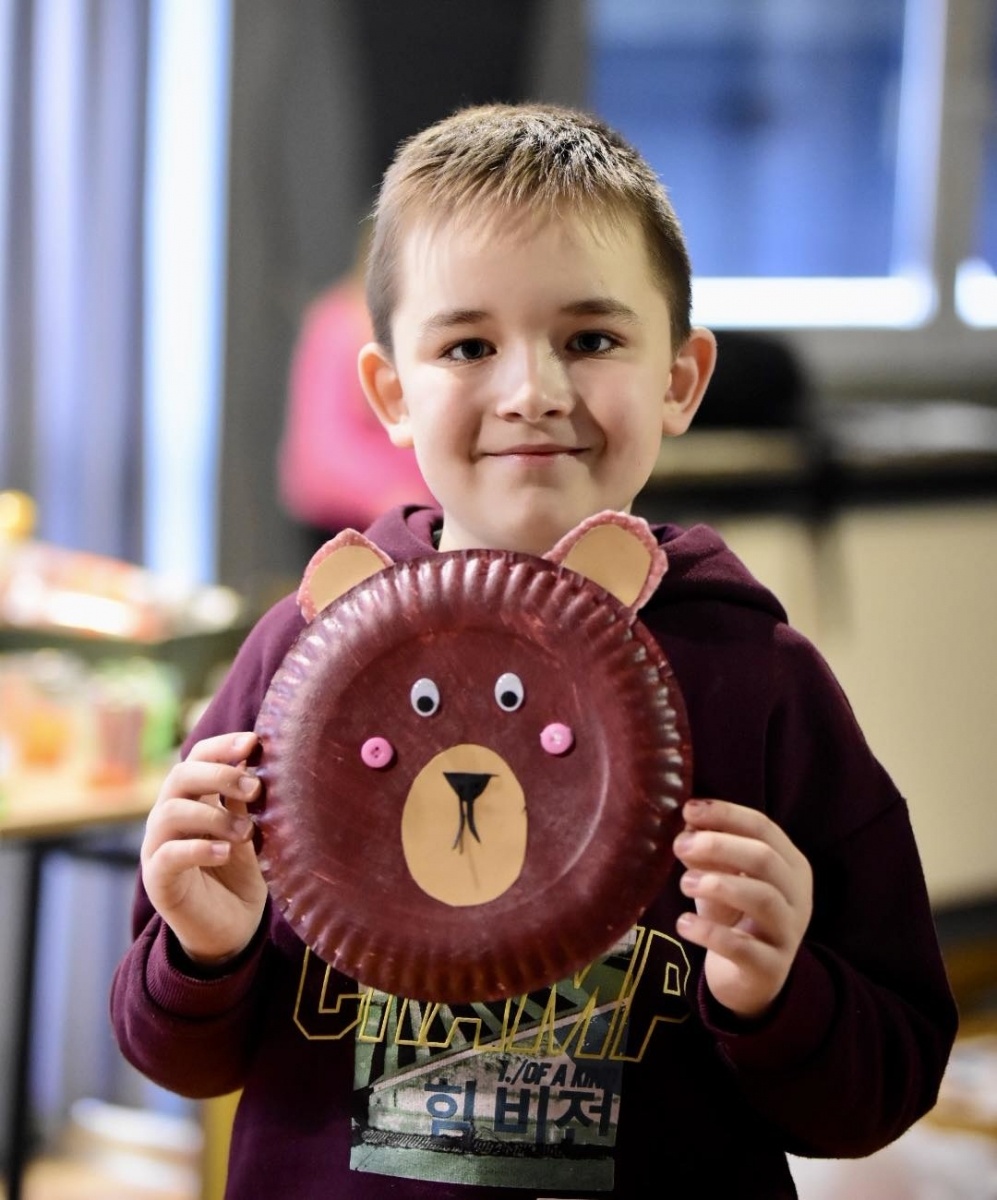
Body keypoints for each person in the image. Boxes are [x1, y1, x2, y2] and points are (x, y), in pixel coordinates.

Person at [110, 103, 957, 1198]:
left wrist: (780, 991)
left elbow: (883, 1085)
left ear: (679, 379)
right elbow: (172, 1050)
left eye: (591, 339)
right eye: (467, 345)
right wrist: (204, 949)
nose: (533, 392)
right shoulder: (302, 662)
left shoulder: (759, 685)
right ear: (389, 394)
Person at [276, 220, 435, 552]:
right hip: (352, 531)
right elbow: (321, 452)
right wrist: (401, 496)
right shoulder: (339, 323)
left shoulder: (439, 323)